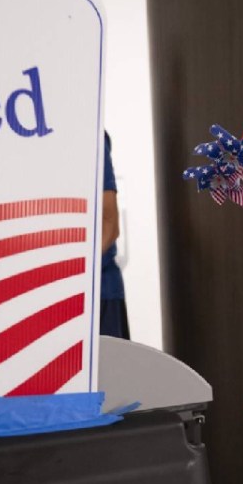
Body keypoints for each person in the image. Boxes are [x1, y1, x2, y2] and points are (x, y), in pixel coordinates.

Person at [100, 132, 130, 339]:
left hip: (99, 294)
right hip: (44, 299)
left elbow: (109, 224)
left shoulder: (88, 133)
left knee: (109, 371)